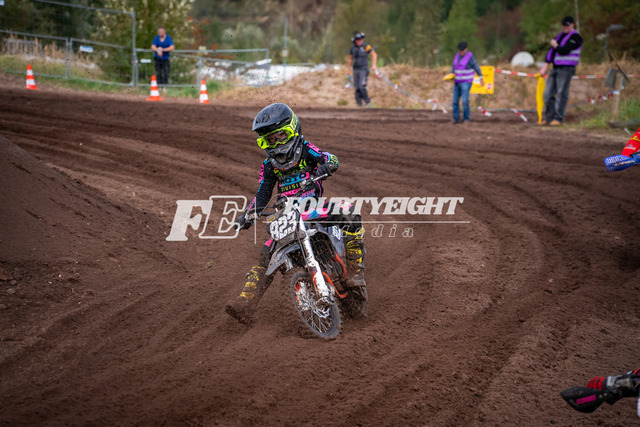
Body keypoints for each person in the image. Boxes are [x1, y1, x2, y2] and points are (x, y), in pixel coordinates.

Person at [225, 103, 368, 325]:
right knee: (266, 253)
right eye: (270, 140)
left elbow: (330, 158)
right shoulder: (269, 165)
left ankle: (355, 272)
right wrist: (247, 215)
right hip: (286, 214)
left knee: (348, 211)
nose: (276, 143)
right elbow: (263, 194)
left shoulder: (305, 149)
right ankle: (246, 302)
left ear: (292, 129)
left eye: (280, 136)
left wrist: (325, 167)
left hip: (312, 207)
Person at [539, 16, 583, 126]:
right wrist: (545, 65)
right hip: (555, 68)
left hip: (567, 69)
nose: (565, 27)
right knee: (547, 94)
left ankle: (558, 118)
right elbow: (551, 52)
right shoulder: (559, 36)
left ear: (572, 24)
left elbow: (564, 50)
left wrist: (555, 45)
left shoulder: (576, 37)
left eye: (567, 25)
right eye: (563, 25)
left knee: (561, 93)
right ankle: (548, 118)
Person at [451, 42, 484, 124]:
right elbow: (454, 66)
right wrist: (450, 74)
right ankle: (456, 118)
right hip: (457, 82)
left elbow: (476, 66)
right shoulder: (457, 56)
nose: (461, 52)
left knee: (465, 101)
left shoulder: (470, 57)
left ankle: (466, 119)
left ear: (466, 49)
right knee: (454, 101)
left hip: (466, 82)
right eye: (459, 50)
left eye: (462, 50)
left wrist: (481, 77)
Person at [347, 32, 379, 107]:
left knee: (362, 86)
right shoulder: (353, 48)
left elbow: (374, 54)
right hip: (356, 69)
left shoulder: (366, 46)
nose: (359, 41)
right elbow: (350, 59)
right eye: (358, 40)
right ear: (355, 40)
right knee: (356, 88)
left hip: (364, 69)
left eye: (361, 40)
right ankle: (359, 105)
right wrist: (348, 70)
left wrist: (374, 65)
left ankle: (367, 102)